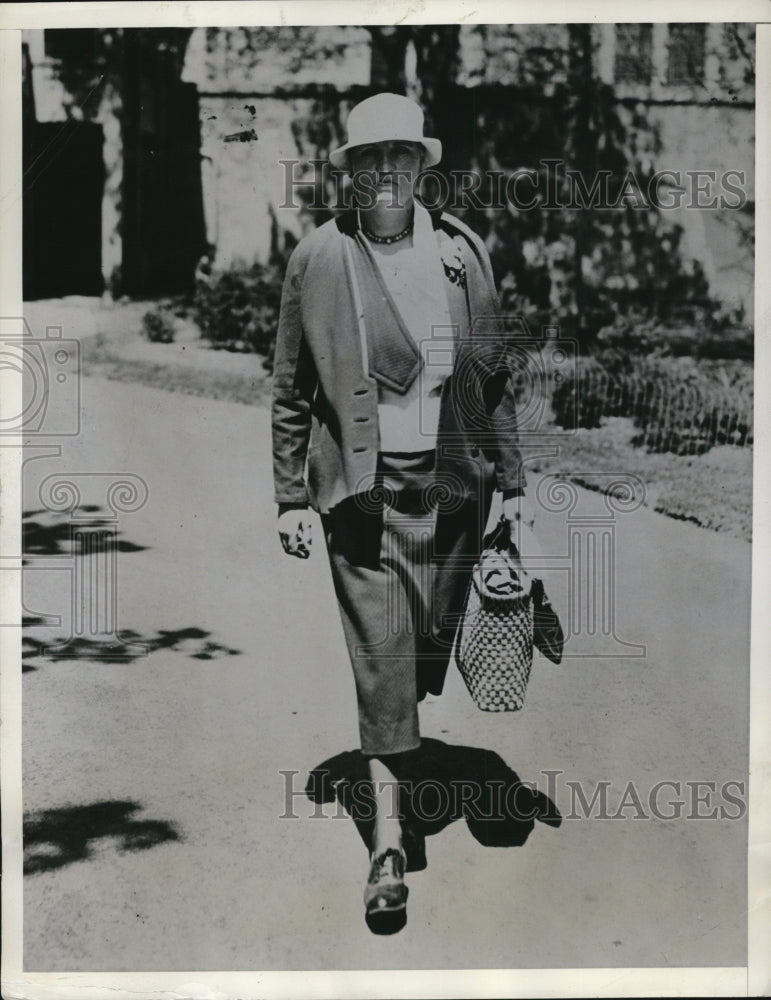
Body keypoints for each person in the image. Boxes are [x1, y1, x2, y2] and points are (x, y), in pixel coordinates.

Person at [271, 92, 535, 929]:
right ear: (350, 172)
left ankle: (402, 737)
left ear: (423, 167)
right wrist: (287, 494)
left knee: (422, 650)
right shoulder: (319, 256)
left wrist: (513, 485)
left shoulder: (462, 255)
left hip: (454, 486)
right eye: (369, 159)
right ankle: (388, 843)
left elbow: (490, 375)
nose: (386, 172)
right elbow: (288, 387)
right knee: (383, 658)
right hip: (359, 492)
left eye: (401, 157)